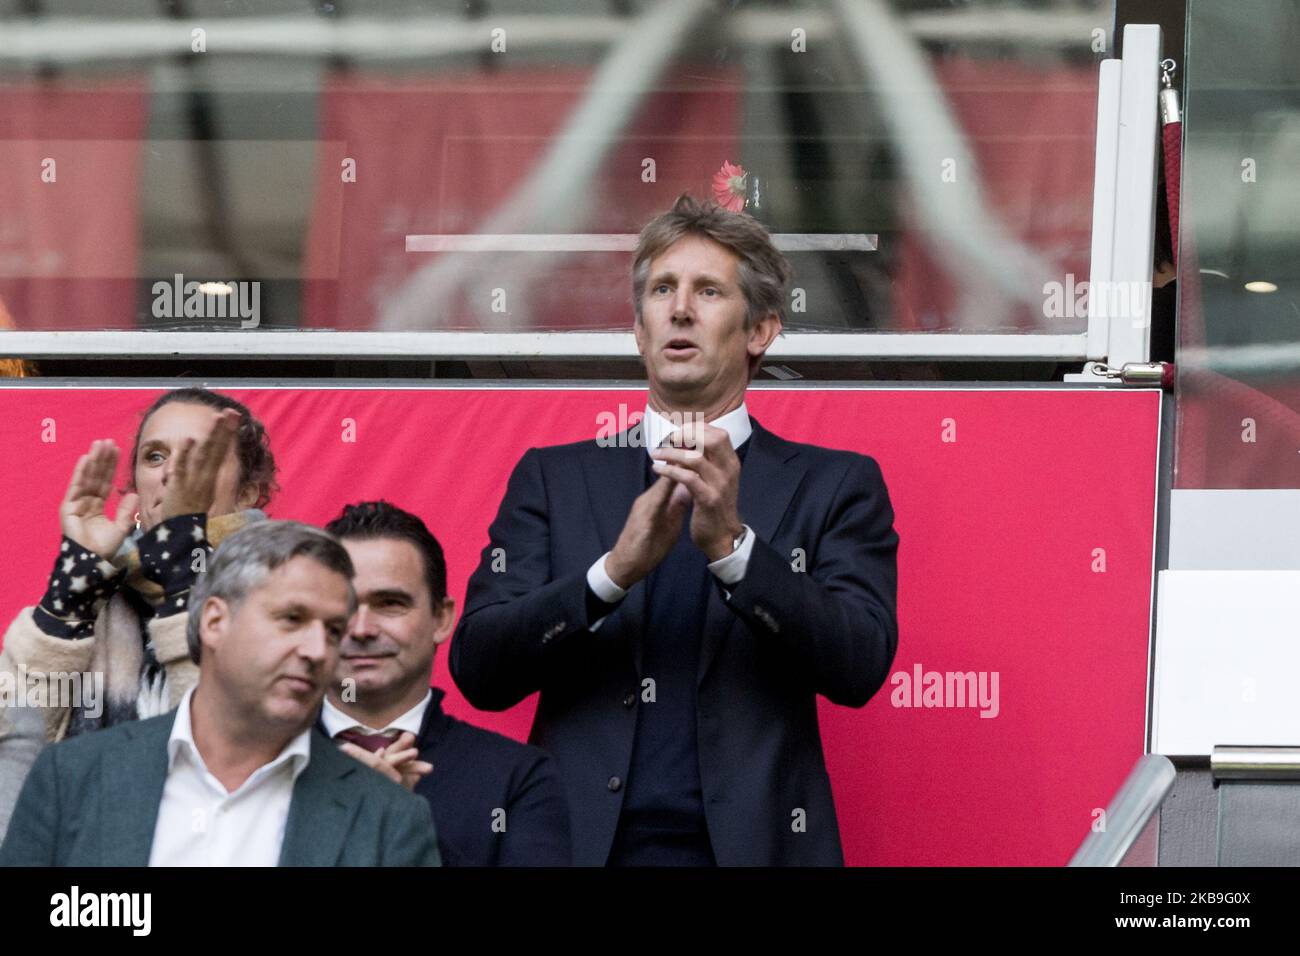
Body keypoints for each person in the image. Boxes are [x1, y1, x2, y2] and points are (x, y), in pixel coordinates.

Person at [451, 194, 900, 866]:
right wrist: (612, 575)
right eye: (663, 290)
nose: (680, 309)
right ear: (639, 330)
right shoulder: (553, 478)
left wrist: (736, 553)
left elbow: (859, 665)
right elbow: (480, 670)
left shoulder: (835, 484)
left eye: (709, 291)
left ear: (761, 330)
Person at [0, 520, 440, 867]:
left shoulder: (388, 817)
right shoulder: (72, 776)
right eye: (291, 618)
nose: (317, 650)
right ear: (214, 622)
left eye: (333, 630)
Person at [0, 387, 276, 840]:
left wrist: (186, 575)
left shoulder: (290, 601)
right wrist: (67, 601)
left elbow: (238, 762)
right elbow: (15, 758)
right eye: (154, 457)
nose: (171, 473)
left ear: (246, 493)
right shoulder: (98, 595)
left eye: (197, 455)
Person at [320, 500, 571, 866]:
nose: (361, 629)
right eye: (341, 604)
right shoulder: (257, 758)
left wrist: (404, 831)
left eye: (389, 603)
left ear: (441, 619)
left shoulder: (518, 779)